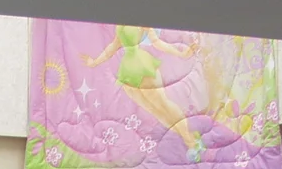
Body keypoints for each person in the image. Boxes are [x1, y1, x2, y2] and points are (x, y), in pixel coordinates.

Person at [81, 26, 202, 158]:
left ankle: (190, 141)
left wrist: (181, 54)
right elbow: (114, 46)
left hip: (142, 65)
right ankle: (188, 138)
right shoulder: (120, 26)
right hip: (128, 71)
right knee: (154, 110)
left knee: (163, 105)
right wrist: (94, 62)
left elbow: (156, 42)